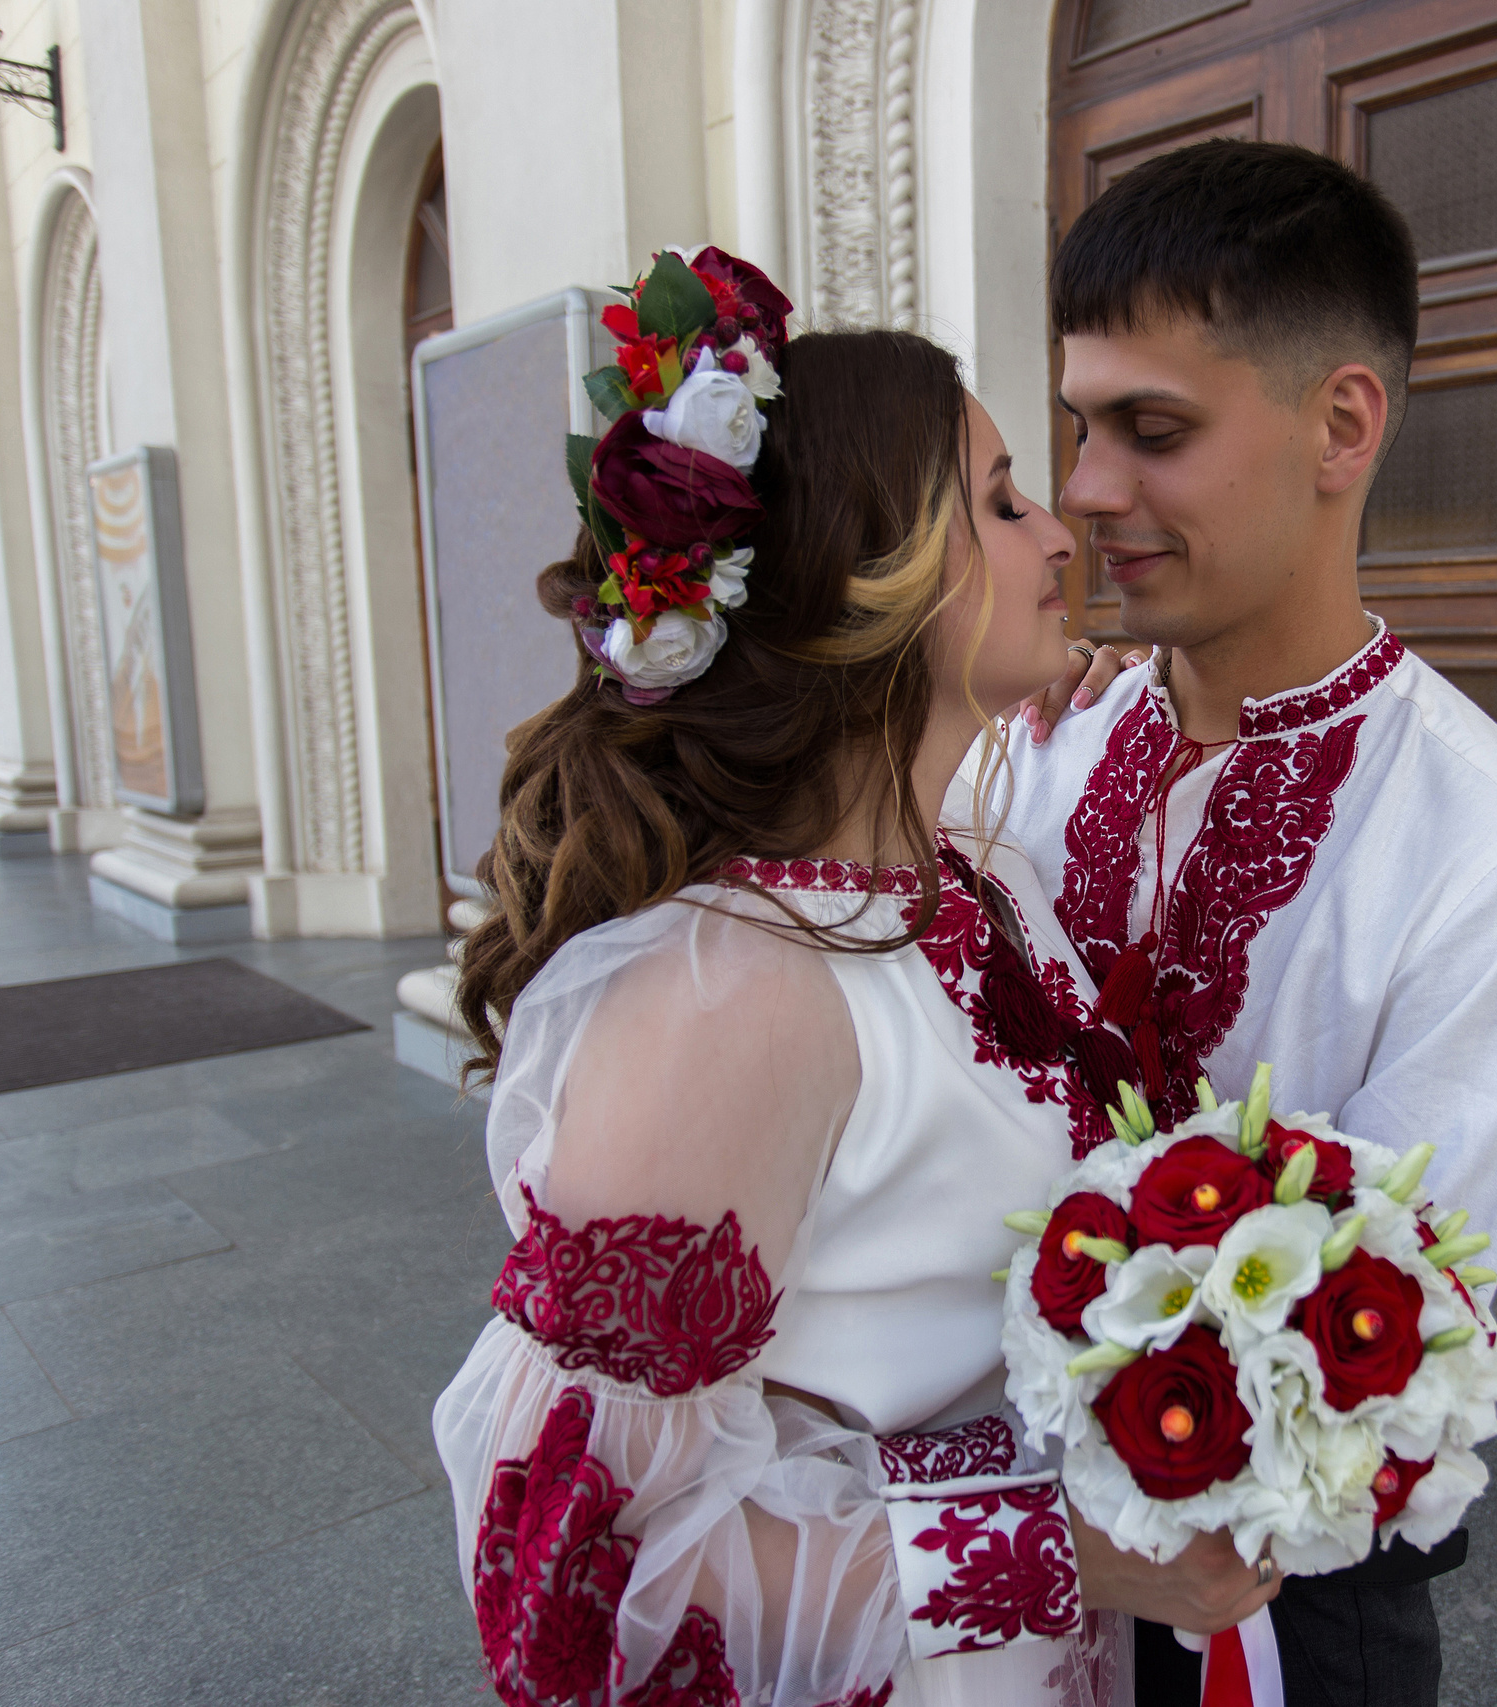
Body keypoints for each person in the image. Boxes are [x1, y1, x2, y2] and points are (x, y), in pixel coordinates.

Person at [432, 253, 1277, 1707]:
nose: (1059, 531)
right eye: (1000, 502)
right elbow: (584, 1561)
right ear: (869, 581)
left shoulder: (984, 883)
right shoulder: (729, 999)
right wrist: (1060, 1551)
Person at [987, 142, 1497, 1707]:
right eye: (1079, 426)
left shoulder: (1487, 837)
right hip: (1004, 1546)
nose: (1088, 488)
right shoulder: (1043, 741)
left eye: (1154, 431)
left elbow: (1381, 1311)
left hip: (1278, 1591)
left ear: (1341, 426)